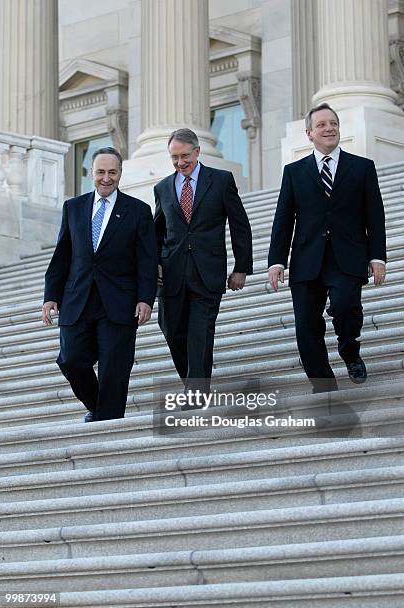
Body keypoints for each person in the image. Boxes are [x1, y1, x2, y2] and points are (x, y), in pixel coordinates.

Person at [268, 103, 386, 393]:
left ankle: (349, 351)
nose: (329, 128)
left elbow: (375, 215)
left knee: (346, 308)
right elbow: (283, 219)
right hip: (307, 260)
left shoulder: (362, 167)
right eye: (321, 124)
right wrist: (276, 261)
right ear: (309, 133)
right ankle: (324, 388)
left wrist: (377, 256)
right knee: (306, 328)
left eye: (333, 123)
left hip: (347, 257)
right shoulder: (294, 172)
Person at [42, 147, 158, 421]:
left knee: (114, 367)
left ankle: (108, 421)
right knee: (70, 359)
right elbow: (62, 254)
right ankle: (102, 409)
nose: (106, 178)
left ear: (120, 173)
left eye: (112, 172)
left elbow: (146, 260)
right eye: (101, 172)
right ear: (91, 174)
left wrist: (146, 298)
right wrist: (50, 295)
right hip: (78, 298)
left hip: (119, 301)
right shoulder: (73, 207)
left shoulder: (138, 211)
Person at [154, 128, 253, 398]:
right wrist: (155, 265)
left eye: (185, 155)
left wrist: (241, 267)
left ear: (197, 151)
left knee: (200, 334)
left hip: (207, 273)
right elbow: (157, 232)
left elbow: (240, 225)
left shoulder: (220, 181)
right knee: (172, 332)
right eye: (174, 157)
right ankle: (192, 382)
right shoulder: (162, 187)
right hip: (171, 274)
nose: (180, 162)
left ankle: (196, 392)